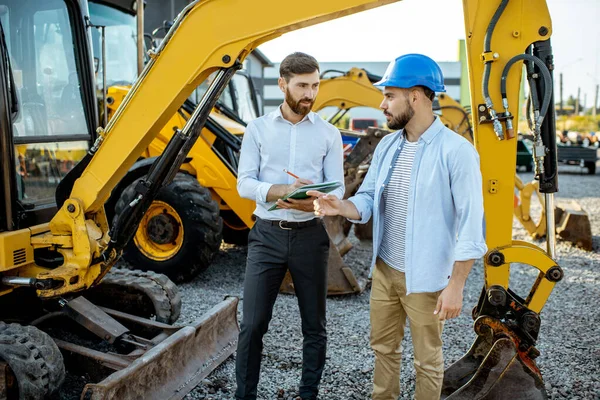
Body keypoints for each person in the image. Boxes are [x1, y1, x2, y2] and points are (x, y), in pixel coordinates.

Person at [308, 54, 487, 399]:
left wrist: (457, 285)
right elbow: (370, 198)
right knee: (383, 350)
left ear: (415, 96)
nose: (382, 104)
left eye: (390, 96)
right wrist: (341, 206)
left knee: (427, 361)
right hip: (385, 271)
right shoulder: (389, 145)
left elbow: (471, 225)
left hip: (426, 279)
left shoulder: (456, 152)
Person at [235, 52, 345, 400]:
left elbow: (339, 188)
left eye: (314, 85)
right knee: (252, 325)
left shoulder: (329, 134)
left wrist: (314, 200)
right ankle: (244, 395)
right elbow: (244, 183)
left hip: (311, 235)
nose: (309, 94)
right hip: (266, 235)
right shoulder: (258, 129)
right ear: (282, 84)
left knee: (314, 326)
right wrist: (277, 190)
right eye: (301, 86)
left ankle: (307, 393)